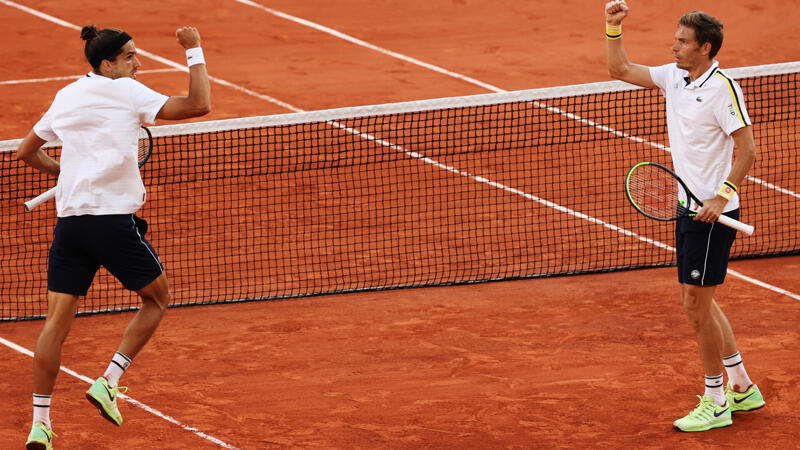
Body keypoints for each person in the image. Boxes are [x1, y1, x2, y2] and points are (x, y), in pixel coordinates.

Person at [18, 24, 211, 449]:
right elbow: (199, 104)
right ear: (108, 65)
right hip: (111, 225)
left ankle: (39, 425)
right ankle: (109, 380)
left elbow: (26, 151)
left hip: (70, 225)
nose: (138, 64)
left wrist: (63, 172)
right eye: (130, 57)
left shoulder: (67, 95)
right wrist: (194, 50)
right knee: (158, 299)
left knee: (54, 326)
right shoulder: (127, 92)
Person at [604, 0, 764, 433]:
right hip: (685, 207)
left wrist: (722, 194)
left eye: (682, 41)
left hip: (711, 217)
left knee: (695, 305)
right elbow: (620, 70)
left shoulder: (723, 89)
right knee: (701, 302)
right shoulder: (674, 77)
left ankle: (717, 400)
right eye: (675, 39)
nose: (672, 46)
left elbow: (746, 149)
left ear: (705, 48)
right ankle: (742, 386)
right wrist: (612, 28)